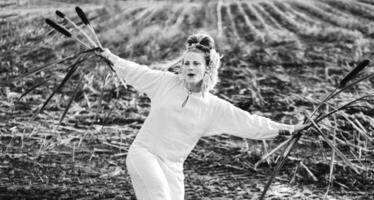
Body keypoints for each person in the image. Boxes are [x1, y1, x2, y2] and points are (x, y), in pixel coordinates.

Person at [100, 33, 307, 200]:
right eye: (186, 63)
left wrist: (287, 129)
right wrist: (111, 58)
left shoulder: (214, 107)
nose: (190, 67)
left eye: (196, 64)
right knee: (160, 195)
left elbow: (249, 122)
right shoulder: (165, 82)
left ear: (207, 68)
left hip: (172, 166)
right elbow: (136, 71)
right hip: (144, 154)